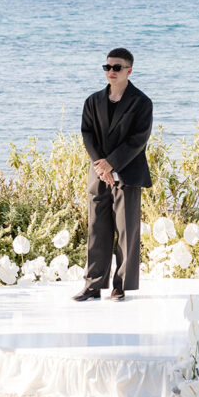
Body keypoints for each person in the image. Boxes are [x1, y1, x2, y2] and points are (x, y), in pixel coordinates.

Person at [74, 48, 152, 301]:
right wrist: (100, 165)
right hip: (98, 173)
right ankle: (93, 285)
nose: (111, 72)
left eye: (116, 68)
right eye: (107, 67)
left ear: (129, 70)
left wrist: (112, 164)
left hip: (127, 172)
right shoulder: (93, 101)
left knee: (126, 230)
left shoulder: (141, 102)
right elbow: (87, 134)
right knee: (97, 228)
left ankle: (121, 285)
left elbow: (138, 140)